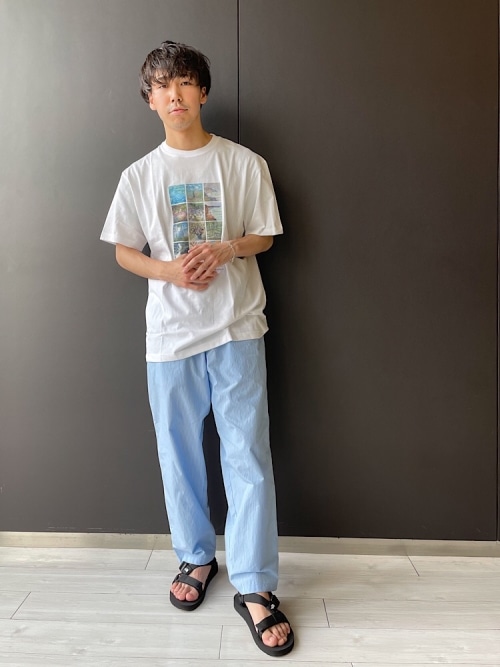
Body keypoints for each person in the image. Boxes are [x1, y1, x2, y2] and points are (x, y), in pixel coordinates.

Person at [100, 40, 294, 657]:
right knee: (178, 455)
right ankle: (195, 557)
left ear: (203, 91)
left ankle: (255, 585)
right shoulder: (139, 176)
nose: (175, 94)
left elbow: (264, 234)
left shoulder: (244, 163)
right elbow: (123, 250)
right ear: (150, 99)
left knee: (247, 456)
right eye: (162, 85)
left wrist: (228, 248)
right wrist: (169, 271)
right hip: (170, 336)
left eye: (184, 82)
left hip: (238, 327)